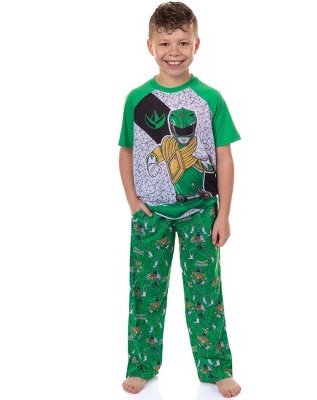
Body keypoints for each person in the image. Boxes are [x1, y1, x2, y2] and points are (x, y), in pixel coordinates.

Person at [118, 2, 241, 397]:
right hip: (151, 214)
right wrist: (133, 203)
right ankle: (141, 364)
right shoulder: (138, 100)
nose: (174, 51)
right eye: (165, 42)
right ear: (150, 46)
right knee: (145, 293)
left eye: (183, 42)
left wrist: (223, 214)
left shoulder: (210, 98)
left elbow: (224, 157)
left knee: (206, 294)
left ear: (196, 44)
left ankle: (216, 368)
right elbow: (126, 151)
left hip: (200, 212)